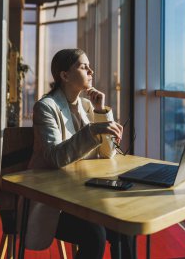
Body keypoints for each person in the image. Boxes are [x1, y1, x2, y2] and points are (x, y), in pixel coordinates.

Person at [26, 48, 134, 259]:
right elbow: (56, 157)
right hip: (54, 201)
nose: (91, 71)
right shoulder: (45, 107)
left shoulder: (86, 105)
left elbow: (107, 154)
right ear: (64, 75)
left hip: (84, 195)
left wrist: (101, 111)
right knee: (95, 234)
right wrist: (93, 130)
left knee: (125, 226)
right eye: (84, 66)